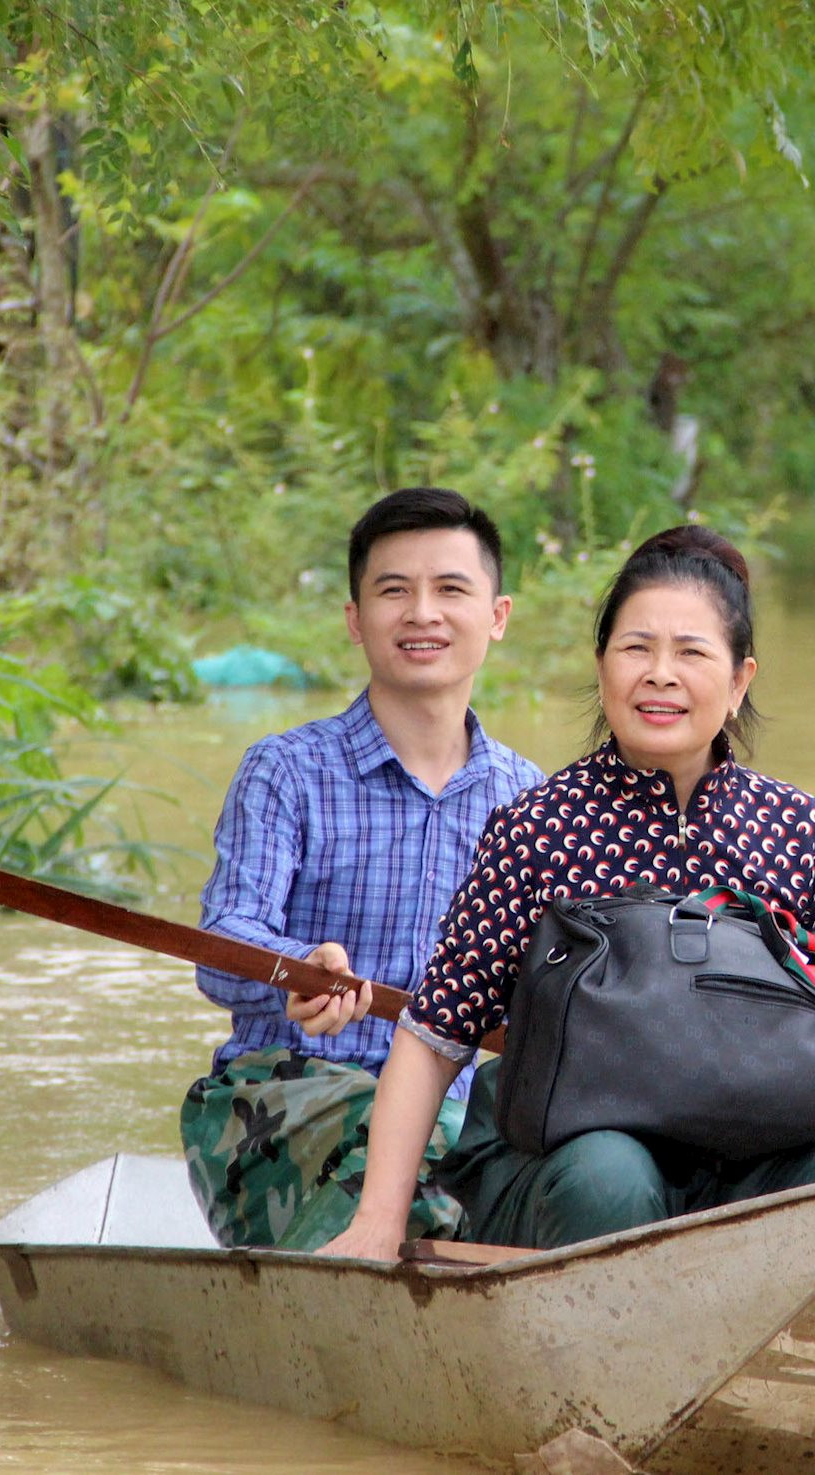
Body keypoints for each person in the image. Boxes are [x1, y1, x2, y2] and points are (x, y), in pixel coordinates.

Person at [316, 526, 815, 1261]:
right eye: (636, 648)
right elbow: (434, 1037)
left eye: (691, 652)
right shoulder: (538, 826)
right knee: (613, 1172)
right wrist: (379, 1220)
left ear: (740, 679)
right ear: (601, 668)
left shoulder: (798, 828)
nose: (660, 674)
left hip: (745, 1162)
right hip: (564, 1164)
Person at [179, 488, 544, 1250]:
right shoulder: (286, 770)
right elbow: (222, 947)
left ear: (497, 616)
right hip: (283, 1095)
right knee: (425, 1197)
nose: (422, 613)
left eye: (450, 589)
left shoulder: (529, 800)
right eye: (393, 591)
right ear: (355, 619)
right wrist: (294, 971)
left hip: (454, 1111)